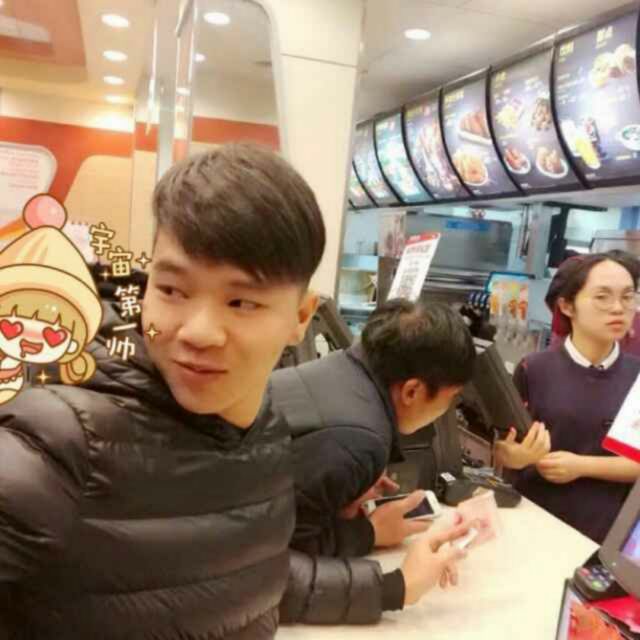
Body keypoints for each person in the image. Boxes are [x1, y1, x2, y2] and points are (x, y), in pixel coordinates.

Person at [0, 144, 325, 639]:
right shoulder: (57, 441)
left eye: (241, 302)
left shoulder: (266, 427)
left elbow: (235, 572)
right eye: (172, 290)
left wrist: (390, 585)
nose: (198, 332)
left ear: (300, 318)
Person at [273, 298, 477, 622]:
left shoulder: (343, 365)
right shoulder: (361, 441)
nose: (447, 410)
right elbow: (275, 564)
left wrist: (341, 487)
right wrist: (371, 534)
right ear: (412, 391)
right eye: (451, 398)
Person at [495, 252, 640, 543]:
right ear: (567, 305)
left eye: (628, 297)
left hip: (609, 535)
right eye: (602, 297)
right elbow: (503, 449)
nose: (618, 308)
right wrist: (518, 457)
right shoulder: (534, 369)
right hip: (534, 524)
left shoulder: (636, 375)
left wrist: (580, 466)